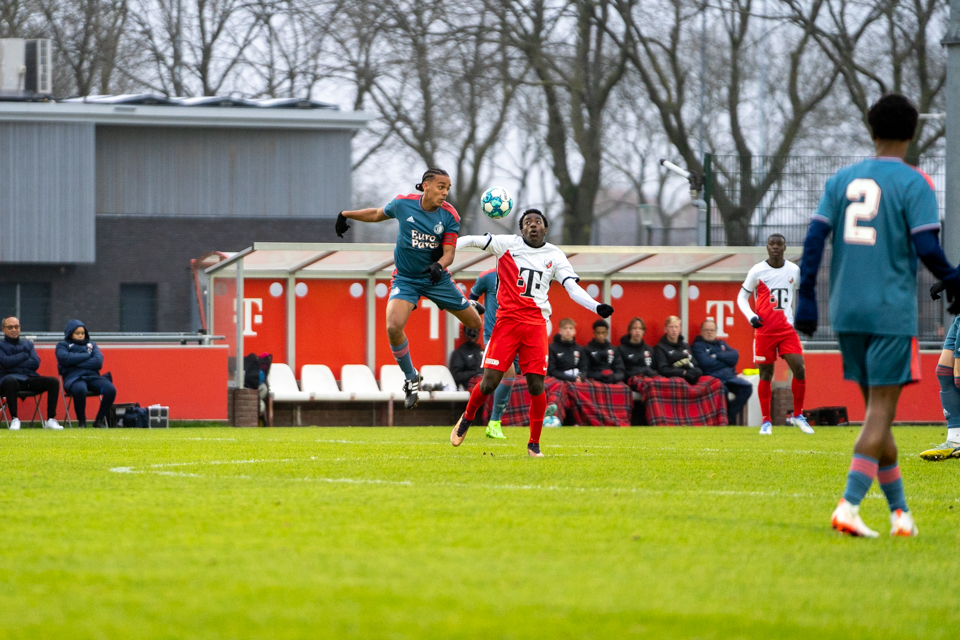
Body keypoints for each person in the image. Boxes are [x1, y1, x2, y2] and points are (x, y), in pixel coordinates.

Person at [796, 93, 960, 537]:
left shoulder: (842, 179)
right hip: (890, 312)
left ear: (871, 129)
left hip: (846, 310)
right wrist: (953, 279)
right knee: (880, 413)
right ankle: (849, 506)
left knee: (877, 416)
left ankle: (900, 516)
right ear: (913, 132)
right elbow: (927, 247)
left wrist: (806, 296)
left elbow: (814, 240)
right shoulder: (914, 182)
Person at [450, 209, 614, 456]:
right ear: (522, 229)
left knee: (536, 385)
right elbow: (473, 240)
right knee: (489, 382)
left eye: (538, 222)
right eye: (528, 222)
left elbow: (571, 287)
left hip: (536, 325)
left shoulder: (555, 255)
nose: (533, 225)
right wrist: (447, 250)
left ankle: (534, 444)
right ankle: (467, 418)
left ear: (545, 229)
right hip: (506, 324)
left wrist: (596, 306)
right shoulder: (507, 245)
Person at [335, 168, 483, 409]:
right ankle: (411, 377)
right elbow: (376, 214)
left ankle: (467, 303)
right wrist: (345, 215)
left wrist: (439, 265)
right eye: (441, 187)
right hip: (406, 279)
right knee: (393, 327)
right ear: (426, 185)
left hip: (436, 279)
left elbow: (449, 253)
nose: (445, 193)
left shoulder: (450, 216)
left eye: (447, 188)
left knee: (475, 323)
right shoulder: (403, 203)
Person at [737, 234, 813, 435]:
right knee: (766, 374)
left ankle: (798, 415)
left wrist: (804, 313)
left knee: (799, 368)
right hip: (765, 331)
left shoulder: (793, 270)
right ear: (767, 247)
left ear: (785, 247)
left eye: (779, 244)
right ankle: (766, 421)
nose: (775, 247)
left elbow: (804, 292)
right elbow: (742, 297)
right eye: (772, 244)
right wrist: (751, 316)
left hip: (787, 330)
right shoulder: (757, 271)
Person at [470, 267, 517, 440]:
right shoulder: (487, 276)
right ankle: (494, 422)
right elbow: (471, 299)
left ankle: (477, 418)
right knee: (509, 373)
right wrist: (473, 313)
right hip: (494, 334)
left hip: (517, 333)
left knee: (496, 381)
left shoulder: (525, 275)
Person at [0, 316, 61, 430]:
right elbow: (5, 362)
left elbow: (35, 363)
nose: (14, 329)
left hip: (30, 378)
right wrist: (24, 355)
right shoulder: (1, 345)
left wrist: (14, 362)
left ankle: (50, 419)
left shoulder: (28, 344)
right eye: (10, 327)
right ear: (3, 329)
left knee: (53, 381)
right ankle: (15, 419)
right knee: (9, 381)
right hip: (11, 379)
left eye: (16, 327)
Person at [56, 320, 117, 429]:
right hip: (74, 378)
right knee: (80, 389)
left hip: (93, 378)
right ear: (70, 333)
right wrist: (87, 356)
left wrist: (74, 363)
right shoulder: (62, 345)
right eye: (77, 333)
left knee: (110, 390)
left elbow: (98, 362)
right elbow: (65, 358)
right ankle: (82, 422)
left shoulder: (92, 345)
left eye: (82, 333)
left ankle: (99, 421)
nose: (80, 335)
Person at [691, 319, 753, 423]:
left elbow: (734, 356)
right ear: (701, 332)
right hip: (713, 379)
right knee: (723, 390)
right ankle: (724, 420)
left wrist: (716, 355)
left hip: (730, 378)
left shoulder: (721, 343)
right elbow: (706, 363)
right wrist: (726, 361)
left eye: (712, 330)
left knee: (747, 388)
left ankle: (729, 416)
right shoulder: (698, 346)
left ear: (716, 331)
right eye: (706, 330)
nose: (709, 332)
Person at [653, 316, 701, 384]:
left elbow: (695, 364)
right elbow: (663, 369)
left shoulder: (685, 346)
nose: (674, 330)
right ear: (665, 329)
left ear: (680, 329)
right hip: (673, 381)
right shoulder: (660, 348)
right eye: (671, 327)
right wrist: (683, 372)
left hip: (690, 378)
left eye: (676, 327)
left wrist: (697, 372)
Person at [583, 319, 625, 384]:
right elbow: (585, 370)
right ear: (594, 333)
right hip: (594, 380)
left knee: (625, 388)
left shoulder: (614, 350)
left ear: (607, 333)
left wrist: (613, 377)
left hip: (612, 379)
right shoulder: (587, 349)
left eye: (603, 333)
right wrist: (601, 375)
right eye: (598, 333)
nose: (600, 335)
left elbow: (620, 371)